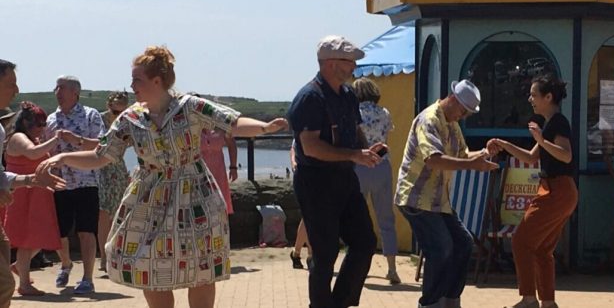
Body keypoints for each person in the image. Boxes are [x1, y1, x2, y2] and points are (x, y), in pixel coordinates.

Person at [35, 46, 288, 308]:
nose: (132, 85)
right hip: (148, 198)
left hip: (194, 195)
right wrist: (63, 158)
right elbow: (102, 155)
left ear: (157, 81)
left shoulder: (190, 106)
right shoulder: (130, 117)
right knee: (147, 266)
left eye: (137, 80)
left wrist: (264, 128)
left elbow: (230, 123)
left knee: (200, 268)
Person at [287, 35, 382, 308]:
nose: (354, 66)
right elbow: (311, 147)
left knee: (364, 241)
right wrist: (355, 155)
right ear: (330, 64)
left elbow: (356, 130)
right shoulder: (310, 98)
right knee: (325, 253)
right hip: (316, 183)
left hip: (345, 179)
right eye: (349, 61)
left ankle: (338, 303)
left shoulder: (349, 94)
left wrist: (366, 150)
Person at [395, 79, 498, 308]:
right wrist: (474, 166)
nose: (464, 115)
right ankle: (430, 303)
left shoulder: (452, 123)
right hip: (415, 198)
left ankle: (450, 301)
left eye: (468, 112)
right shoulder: (429, 119)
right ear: (452, 99)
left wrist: (484, 153)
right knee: (441, 248)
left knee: (463, 243)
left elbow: (462, 155)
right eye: (464, 110)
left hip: (437, 202)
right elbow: (433, 159)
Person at [487, 75, 577, 308]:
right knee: (542, 249)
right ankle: (548, 303)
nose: (530, 99)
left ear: (548, 97)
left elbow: (566, 155)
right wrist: (504, 144)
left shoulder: (558, 122)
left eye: (534, 95)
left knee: (520, 240)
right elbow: (530, 157)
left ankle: (528, 299)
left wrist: (542, 139)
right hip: (558, 191)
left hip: (557, 191)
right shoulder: (549, 124)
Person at [0, 60, 65, 308]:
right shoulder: (16, 137)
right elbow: (34, 154)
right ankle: (24, 282)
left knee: (4, 283)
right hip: (21, 198)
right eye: (10, 84)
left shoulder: (0, 131)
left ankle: (22, 279)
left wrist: (31, 180)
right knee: (5, 282)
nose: (16, 90)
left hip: (25, 191)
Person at [46, 75, 105, 294]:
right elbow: (46, 148)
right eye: (56, 88)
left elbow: (102, 144)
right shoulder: (52, 119)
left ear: (75, 92)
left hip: (86, 181)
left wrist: (76, 140)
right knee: (59, 232)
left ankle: (88, 278)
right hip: (59, 182)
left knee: (86, 231)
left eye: (61, 88)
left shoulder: (91, 115)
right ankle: (66, 264)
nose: (57, 92)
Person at [351, 77, 400, 284]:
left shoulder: (353, 114)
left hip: (359, 167)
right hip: (381, 166)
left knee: (356, 220)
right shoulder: (384, 113)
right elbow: (385, 141)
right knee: (386, 219)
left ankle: (357, 266)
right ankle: (392, 268)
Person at [96, 91, 130, 271]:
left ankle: (115, 255)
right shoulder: (100, 120)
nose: (117, 115)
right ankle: (103, 256)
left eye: (121, 111)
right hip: (102, 169)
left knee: (118, 214)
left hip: (118, 169)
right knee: (103, 215)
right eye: (114, 111)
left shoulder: (128, 121)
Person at [288, 140, 312, 270]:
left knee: (309, 216)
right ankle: (310, 254)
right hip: (305, 175)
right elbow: (293, 146)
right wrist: (293, 163)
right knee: (309, 215)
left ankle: (297, 253)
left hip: (319, 175)